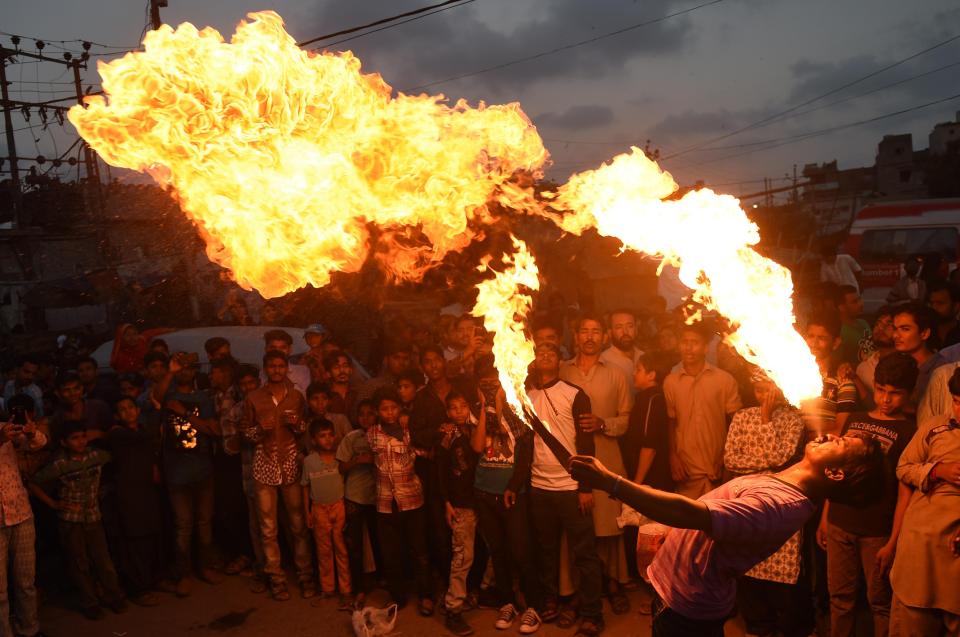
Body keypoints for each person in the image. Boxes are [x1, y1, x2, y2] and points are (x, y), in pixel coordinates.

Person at [569, 432, 886, 637]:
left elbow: (691, 513)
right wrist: (678, 538)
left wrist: (610, 482)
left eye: (841, 443)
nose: (832, 434)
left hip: (686, 611)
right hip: (682, 596)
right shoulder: (787, 485)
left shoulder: (776, 506)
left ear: (834, 473)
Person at [817, 352, 918, 637]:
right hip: (839, 522)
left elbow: (905, 494)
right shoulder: (856, 419)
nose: (886, 399)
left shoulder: (909, 431)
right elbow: (836, 473)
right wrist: (826, 517)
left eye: (895, 394)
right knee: (840, 598)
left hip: (877, 532)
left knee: (880, 602)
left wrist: (894, 542)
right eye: (881, 390)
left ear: (909, 393)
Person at [723, 369, 810, 637]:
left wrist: (765, 420)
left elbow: (780, 459)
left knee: (781, 567)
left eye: (769, 389)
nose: (764, 396)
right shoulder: (740, 416)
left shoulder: (794, 420)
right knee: (748, 564)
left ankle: (784, 626)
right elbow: (730, 460)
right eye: (759, 390)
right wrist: (766, 464)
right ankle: (757, 625)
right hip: (747, 500)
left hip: (779, 502)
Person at [526, 341, 604, 637]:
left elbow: (586, 444)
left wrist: (585, 486)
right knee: (546, 551)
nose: (545, 356)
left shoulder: (574, 394)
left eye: (551, 352)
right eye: (539, 352)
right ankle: (554, 601)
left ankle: (592, 615)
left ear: (560, 360)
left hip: (571, 487)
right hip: (539, 486)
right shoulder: (526, 395)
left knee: (584, 553)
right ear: (532, 360)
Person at [560, 314, 634, 614]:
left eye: (595, 332)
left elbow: (627, 419)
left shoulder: (616, 374)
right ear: (575, 336)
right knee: (577, 525)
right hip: (571, 461)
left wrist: (603, 424)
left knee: (608, 524)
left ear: (604, 337)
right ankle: (576, 587)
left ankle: (613, 583)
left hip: (607, 458)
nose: (590, 337)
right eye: (584, 331)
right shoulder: (562, 371)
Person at [471, 357, 541, 634]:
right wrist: (486, 406)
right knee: (497, 551)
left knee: (521, 552)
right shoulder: (475, 411)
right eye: (484, 383)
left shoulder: (516, 410)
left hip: (512, 493)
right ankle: (507, 602)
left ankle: (533, 606)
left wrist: (499, 404)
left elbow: (524, 454)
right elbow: (477, 446)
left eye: (494, 382)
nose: (489, 387)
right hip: (484, 492)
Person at [889, 366, 960, 635]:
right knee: (913, 618)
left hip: (954, 555)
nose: (958, 412)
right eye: (956, 402)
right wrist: (937, 470)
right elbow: (903, 467)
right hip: (920, 547)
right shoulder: (935, 427)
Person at [30, 422, 127, 620]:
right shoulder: (60, 464)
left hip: (93, 516)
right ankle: (89, 601)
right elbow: (33, 483)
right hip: (70, 520)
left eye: (83, 436)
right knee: (78, 562)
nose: (81, 441)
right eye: (74, 438)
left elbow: (117, 458)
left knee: (103, 560)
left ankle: (113, 595)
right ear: (64, 443)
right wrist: (54, 504)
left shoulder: (95, 456)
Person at [240, 350, 314, 601]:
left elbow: (303, 429)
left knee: (298, 525)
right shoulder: (254, 398)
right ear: (265, 369)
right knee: (268, 528)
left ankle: (305, 575)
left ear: (286, 369)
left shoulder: (296, 397)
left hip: (290, 464)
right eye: (272, 366)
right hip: (264, 465)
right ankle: (276, 578)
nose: (277, 370)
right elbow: (245, 434)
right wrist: (260, 429)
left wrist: (297, 425)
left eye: (281, 366)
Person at [151, 352, 221, 597]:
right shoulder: (168, 395)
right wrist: (170, 370)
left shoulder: (204, 398)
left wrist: (184, 413)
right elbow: (156, 396)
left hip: (203, 470)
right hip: (176, 472)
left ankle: (206, 567)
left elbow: (214, 430)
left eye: (189, 368)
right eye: (181, 368)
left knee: (204, 522)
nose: (185, 372)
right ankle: (184, 574)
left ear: (195, 372)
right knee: (183, 525)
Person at [366, 387, 434, 615]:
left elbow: (422, 450)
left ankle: (426, 595)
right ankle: (398, 597)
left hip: (412, 499)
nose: (389, 412)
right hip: (385, 502)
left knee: (420, 551)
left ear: (400, 409)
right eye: (384, 409)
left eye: (393, 407)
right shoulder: (372, 434)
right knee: (391, 554)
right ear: (377, 411)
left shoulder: (408, 430)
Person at [664, 322, 742, 499]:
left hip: (717, 469)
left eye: (695, 342)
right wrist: (673, 457)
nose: (689, 348)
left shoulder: (724, 380)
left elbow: (737, 425)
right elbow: (671, 421)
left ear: (706, 348)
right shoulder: (670, 382)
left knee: (718, 522)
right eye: (685, 342)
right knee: (687, 524)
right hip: (686, 470)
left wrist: (724, 458)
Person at [0, 399, 46, 637]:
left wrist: (31, 432)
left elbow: (39, 444)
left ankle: (30, 629)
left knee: (26, 581)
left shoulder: (5, 428)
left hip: (20, 513)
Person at [437, 391, 480, 636]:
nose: (459, 412)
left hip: (481, 499)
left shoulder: (476, 428)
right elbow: (441, 470)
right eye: (453, 408)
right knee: (462, 556)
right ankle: (453, 608)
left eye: (463, 406)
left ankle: (477, 593)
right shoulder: (447, 435)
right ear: (447, 412)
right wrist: (446, 501)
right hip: (460, 503)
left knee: (479, 553)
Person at [302, 418, 351, 606]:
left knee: (341, 548)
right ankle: (328, 588)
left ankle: (346, 589)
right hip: (318, 509)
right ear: (314, 440)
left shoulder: (340, 458)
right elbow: (305, 487)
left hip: (338, 506)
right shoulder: (309, 462)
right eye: (322, 436)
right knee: (324, 550)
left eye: (331, 435)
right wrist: (307, 511)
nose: (328, 439)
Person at [336, 399, 377, 602]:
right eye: (362, 414)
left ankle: (381, 580)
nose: (366, 418)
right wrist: (358, 461)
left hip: (378, 497)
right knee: (354, 544)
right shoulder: (352, 438)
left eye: (370, 413)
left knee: (380, 542)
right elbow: (341, 467)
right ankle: (358, 587)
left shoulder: (383, 436)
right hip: (355, 496)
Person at [804, 312, 858, 436]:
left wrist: (800, 438)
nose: (814, 343)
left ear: (835, 343)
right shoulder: (786, 376)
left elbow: (840, 431)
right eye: (811, 336)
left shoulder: (843, 383)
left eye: (822, 338)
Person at [893, 302, 946, 407]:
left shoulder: (942, 370)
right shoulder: (895, 364)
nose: (895, 335)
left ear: (924, 333)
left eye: (905, 329)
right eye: (895, 328)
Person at [599, 309, 643, 390]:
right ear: (610, 332)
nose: (625, 332)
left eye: (630, 326)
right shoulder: (604, 361)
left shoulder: (644, 356)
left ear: (636, 329)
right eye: (619, 327)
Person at [857, 307, 896, 398]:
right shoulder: (863, 368)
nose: (880, 328)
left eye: (889, 324)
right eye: (878, 323)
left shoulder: (907, 365)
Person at [835, 285, 871, 366]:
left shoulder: (864, 323)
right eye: (854, 302)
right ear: (841, 307)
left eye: (859, 299)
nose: (861, 304)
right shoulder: (840, 332)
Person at [323, 350, 358, 423]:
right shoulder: (325, 397)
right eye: (336, 367)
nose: (342, 370)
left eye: (345, 366)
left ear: (351, 370)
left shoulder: (359, 392)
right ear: (328, 373)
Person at [927, 280, 960, 350]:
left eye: (940, 303)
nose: (934, 307)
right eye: (931, 303)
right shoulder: (924, 333)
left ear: (956, 307)